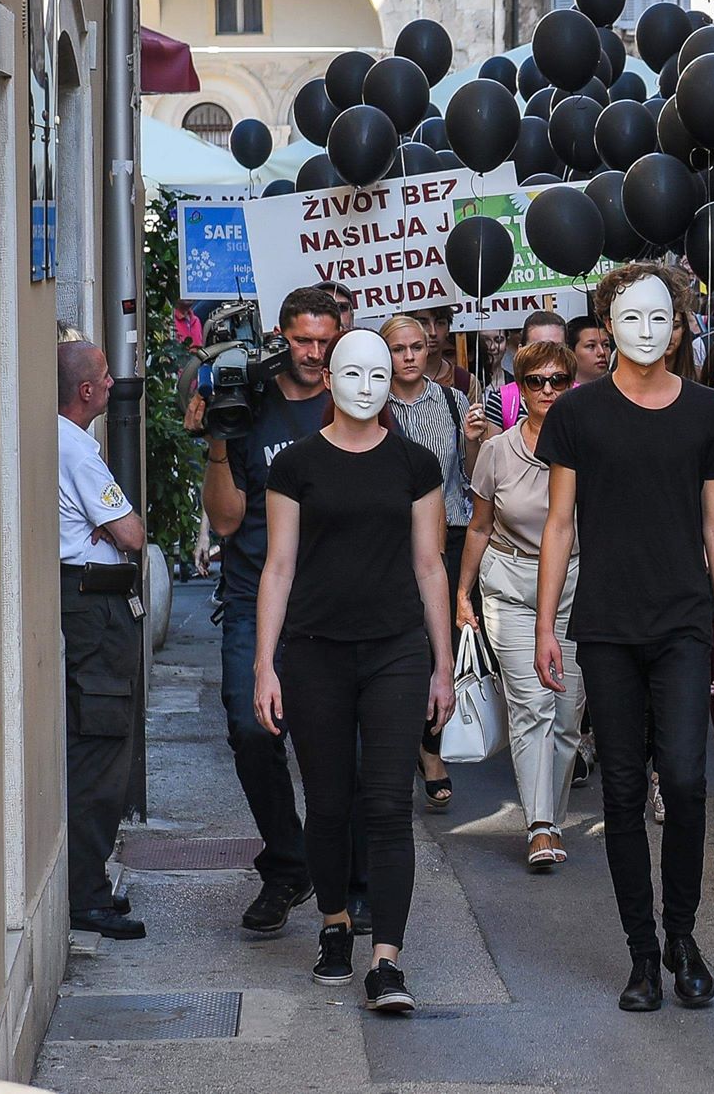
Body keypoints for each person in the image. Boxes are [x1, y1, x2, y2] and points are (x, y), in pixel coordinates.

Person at [534, 264, 714, 1012]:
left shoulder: (709, 413)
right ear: (609, 322)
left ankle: (681, 935)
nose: (647, 332)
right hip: (607, 624)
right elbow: (560, 522)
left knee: (686, 780)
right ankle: (642, 955)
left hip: (686, 620)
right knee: (622, 791)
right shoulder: (578, 415)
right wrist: (544, 622)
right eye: (632, 318)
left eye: (662, 319)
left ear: (680, 325)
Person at [254, 327, 457, 1013]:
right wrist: (265, 665)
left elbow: (431, 564)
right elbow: (277, 568)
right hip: (314, 650)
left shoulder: (416, 465)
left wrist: (444, 664)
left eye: (379, 374)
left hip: (397, 649)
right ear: (329, 378)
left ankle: (388, 962)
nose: (367, 386)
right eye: (353, 373)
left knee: (387, 807)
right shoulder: (297, 466)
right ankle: (336, 924)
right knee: (330, 802)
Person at [194, 285, 350, 935]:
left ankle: (350, 876)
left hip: (334, 601)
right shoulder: (250, 405)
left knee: (346, 752)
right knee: (252, 732)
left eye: (325, 341)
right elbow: (227, 520)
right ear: (281, 337)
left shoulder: (353, 400)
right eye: (302, 341)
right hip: (253, 592)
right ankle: (289, 863)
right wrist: (221, 440)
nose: (314, 354)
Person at [457, 340, 581, 870]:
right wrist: (462, 592)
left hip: (576, 583)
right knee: (533, 706)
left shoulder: (588, 443)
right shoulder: (497, 450)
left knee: (569, 713)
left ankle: (550, 813)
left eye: (558, 381)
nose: (548, 391)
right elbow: (480, 526)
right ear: (520, 388)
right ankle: (540, 825)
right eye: (537, 381)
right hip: (509, 582)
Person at [57, 341, 150, 941]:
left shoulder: (61, 443)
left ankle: (86, 882)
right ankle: (85, 891)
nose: (115, 382)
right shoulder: (74, 449)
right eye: (105, 375)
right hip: (93, 606)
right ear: (87, 392)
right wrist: (119, 531)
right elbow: (132, 533)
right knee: (100, 743)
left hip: (83, 601)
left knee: (94, 742)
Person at [383, 313, 475, 814]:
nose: (412, 355)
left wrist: (477, 441)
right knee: (411, 644)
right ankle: (425, 752)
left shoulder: (453, 401)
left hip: (453, 532)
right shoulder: (374, 405)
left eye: (418, 346)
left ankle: (430, 742)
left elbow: (473, 477)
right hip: (398, 538)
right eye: (400, 349)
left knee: (450, 642)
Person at [415, 306, 473, 396]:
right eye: (423, 323)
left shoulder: (465, 382)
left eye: (440, 323)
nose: (433, 332)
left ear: (448, 330)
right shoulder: (393, 380)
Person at [566, 315, 612, 385]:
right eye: (591, 346)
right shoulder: (559, 392)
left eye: (605, 345)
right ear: (570, 351)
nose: (602, 352)